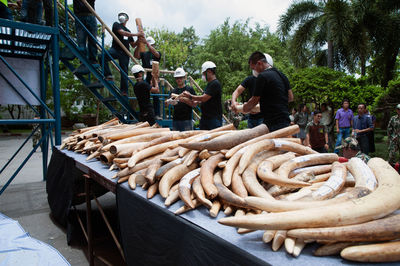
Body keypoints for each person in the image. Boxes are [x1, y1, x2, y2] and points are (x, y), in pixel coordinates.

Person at [243, 51, 291, 132]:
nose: (254, 71)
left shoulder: (262, 76)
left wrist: (245, 108)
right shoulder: (281, 75)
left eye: (253, 68)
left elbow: (254, 100)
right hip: (285, 120)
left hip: (272, 123)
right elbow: (290, 97)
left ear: (259, 63)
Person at [102, 12, 143, 96]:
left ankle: (124, 91)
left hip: (125, 53)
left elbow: (132, 44)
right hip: (115, 49)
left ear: (127, 19)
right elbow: (122, 33)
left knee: (124, 72)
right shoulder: (116, 25)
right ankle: (108, 75)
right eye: (120, 15)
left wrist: (139, 39)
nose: (121, 16)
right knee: (102, 56)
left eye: (123, 15)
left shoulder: (128, 31)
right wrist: (137, 34)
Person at [182, 61, 222, 130]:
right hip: (205, 118)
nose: (203, 75)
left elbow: (204, 98)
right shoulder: (209, 85)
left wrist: (190, 96)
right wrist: (196, 102)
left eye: (204, 73)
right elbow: (206, 100)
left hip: (213, 119)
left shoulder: (215, 84)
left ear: (209, 71)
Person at [134, 36, 162, 118]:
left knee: (156, 95)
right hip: (146, 76)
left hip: (155, 77)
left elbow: (156, 53)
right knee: (144, 95)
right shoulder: (145, 54)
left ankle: (157, 114)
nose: (150, 46)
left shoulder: (157, 53)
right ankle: (144, 111)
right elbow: (136, 55)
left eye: (151, 45)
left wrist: (147, 43)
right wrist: (139, 45)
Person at [73, 0, 97, 65]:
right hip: (79, 16)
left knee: (93, 39)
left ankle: (93, 59)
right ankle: (82, 59)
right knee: (81, 40)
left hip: (90, 14)